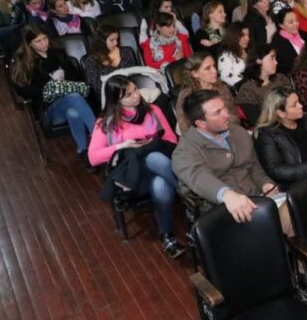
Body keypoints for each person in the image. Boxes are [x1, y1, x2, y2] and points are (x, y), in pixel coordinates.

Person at [87, 76, 184, 258]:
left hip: (161, 169)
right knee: (153, 158)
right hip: (132, 178)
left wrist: (150, 144)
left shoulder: (153, 110)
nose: (135, 96)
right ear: (116, 100)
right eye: (128, 95)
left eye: (135, 90)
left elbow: (171, 140)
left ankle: (167, 235)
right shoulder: (106, 123)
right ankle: (188, 192)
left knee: (160, 182)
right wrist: (122, 146)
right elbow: (93, 158)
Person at [172, 90, 284, 228]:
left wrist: (265, 183)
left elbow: (254, 166)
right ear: (201, 123)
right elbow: (199, 177)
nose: (227, 114)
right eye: (218, 112)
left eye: (224, 107)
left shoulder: (238, 132)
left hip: (258, 199)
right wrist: (227, 195)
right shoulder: (185, 151)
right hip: (221, 212)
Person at [10, 25, 95, 169]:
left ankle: (84, 151)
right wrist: (52, 83)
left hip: (72, 102)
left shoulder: (58, 53)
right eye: (38, 41)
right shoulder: (24, 61)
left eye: (45, 38)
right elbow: (23, 90)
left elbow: (77, 77)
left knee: (73, 112)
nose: (44, 43)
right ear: (29, 44)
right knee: (73, 97)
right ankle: (100, 136)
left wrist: (63, 79)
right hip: (49, 109)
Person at [83, 25, 140, 100]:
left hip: (130, 91)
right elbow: (96, 87)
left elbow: (135, 75)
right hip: (109, 97)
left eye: (117, 39)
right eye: (112, 40)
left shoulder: (126, 52)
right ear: (102, 41)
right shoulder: (91, 60)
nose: (116, 43)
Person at [217, 22, 250, 88]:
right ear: (233, 36)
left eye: (248, 35)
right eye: (242, 35)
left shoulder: (250, 51)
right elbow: (226, 78)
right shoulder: (226, 56)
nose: (247, 38)